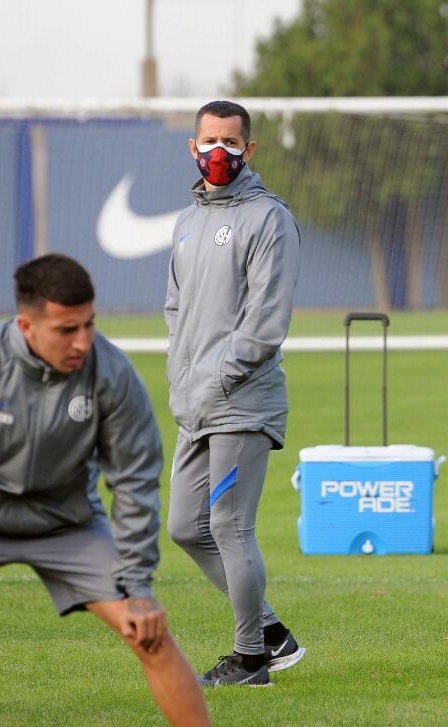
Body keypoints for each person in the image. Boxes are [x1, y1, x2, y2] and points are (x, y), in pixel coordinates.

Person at [0, 254, 260, 727]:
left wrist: (136, 586)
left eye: (89, 324)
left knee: (148, 631)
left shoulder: (111, 375)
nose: (82, 341)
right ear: (26, 324)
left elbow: (133, 486)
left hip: (67, 524)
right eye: (66, 329)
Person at [165, 100, 304, 687]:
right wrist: (184, 383)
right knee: (183, 527)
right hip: (194, 403)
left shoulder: (269, 218)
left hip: (242, 402)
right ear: (192, 146)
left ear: (249, 150)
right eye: (208, 141)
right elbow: (176, 308)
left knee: (229, 526)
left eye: (230, 142)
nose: (217, 152)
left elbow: (265, 324)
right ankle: (272, 631)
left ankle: (252, 660)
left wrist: (217, 380)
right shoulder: (188, 220)